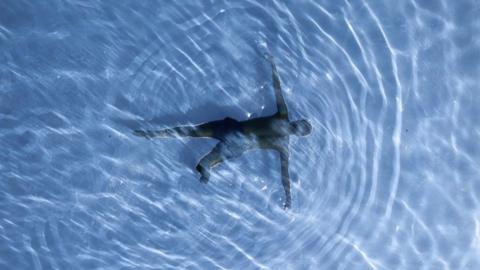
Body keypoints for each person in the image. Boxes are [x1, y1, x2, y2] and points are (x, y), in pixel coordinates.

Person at [134, 55, 312, 209]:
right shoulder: (283, 135)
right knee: (198, 141)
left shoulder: (283, 122)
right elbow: (277, 89)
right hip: (237, 140)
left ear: (297, 127)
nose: (295, 126)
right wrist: (272, 66)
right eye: (299, 124)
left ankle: (155, 135)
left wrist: (288, 195)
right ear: (297, 126)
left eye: (298, 126)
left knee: (193, 133)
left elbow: (285, 172)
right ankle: (164, 141)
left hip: (235, 135)